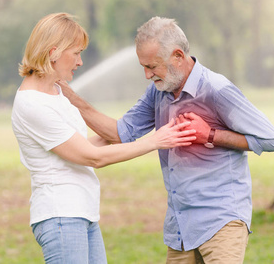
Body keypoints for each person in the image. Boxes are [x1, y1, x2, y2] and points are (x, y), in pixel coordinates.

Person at [59, 16, 274, 264]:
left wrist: (209, 135)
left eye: (152, 66)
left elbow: (270, 139)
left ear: (177, 56)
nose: (147, 75)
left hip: (221, 220)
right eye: (143, 66)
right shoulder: (158, 91)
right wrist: (69, 96)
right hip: (181, 228)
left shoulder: (216, 89)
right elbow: (120, 133)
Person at [11, 13, 196, 264]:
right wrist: (155, 140)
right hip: (61, 216)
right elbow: (91, 157)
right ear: (54, 52)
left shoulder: (55, 93)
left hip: (82, 213)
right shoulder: (32, 103)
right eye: (76, 53)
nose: (80, 61)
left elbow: (82, 147)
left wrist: (123, 132)